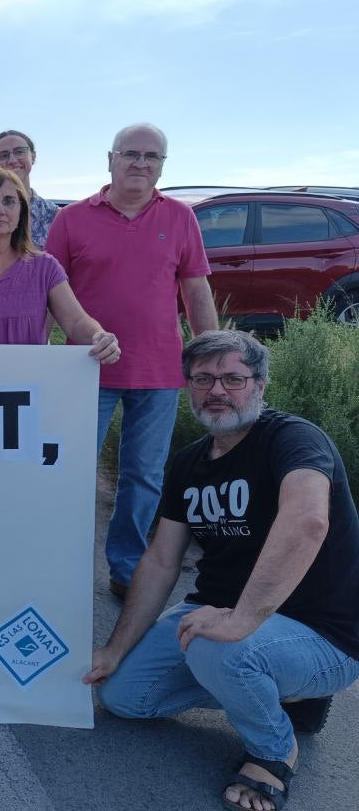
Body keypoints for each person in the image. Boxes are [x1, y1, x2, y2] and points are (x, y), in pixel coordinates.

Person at [84, 329, 359, 811]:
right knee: (125, 697)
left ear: (260, 384)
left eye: (233, 378)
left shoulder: (293, 438)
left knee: (218, 645)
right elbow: (162, 560)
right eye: (203, 378)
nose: (216, 390)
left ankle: (274, 750)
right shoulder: (188, 463)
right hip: (223, 616)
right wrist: (114, 648)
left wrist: (240, 620)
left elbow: (308, 520)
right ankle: (282, 697)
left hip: (323, 635)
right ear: (187, 385)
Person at [47, 122, 218, 595]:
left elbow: (196, 289)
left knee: (143, 476)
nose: (141, 164)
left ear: (162, 165)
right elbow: (46, 292)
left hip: (159, 370)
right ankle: (58, 565)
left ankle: (125, 570)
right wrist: (36, 360)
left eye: (152, 157)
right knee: (70, 470)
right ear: (110, 159)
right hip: (85, 369)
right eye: (131, 154)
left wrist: (215, 356)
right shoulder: (72, 220)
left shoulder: (181, 218)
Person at [0, 168, 119, 363]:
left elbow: (76, 322)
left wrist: (98, 336)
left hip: (27, 389)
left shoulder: (45, 268)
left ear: (21, 211)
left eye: (9, 201)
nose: (0, 210)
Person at [0, 130, 60, 249]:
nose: (12, 160)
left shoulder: (54, 216)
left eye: (19, 152)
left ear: (33, 157)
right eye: (3, 155)